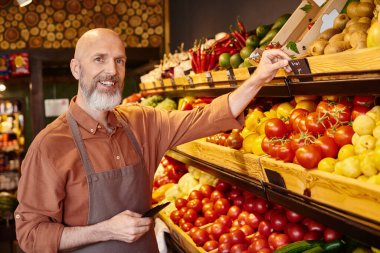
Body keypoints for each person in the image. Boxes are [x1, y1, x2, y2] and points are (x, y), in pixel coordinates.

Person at [15, 28, 291, 253]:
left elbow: (207, 117)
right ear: (76, 68)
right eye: (99, 59)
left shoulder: (142, 122)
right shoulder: (49, 146)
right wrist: (105, 230)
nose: (111, 70)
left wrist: (259, 78)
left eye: (119, 60)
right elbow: (31, 235)